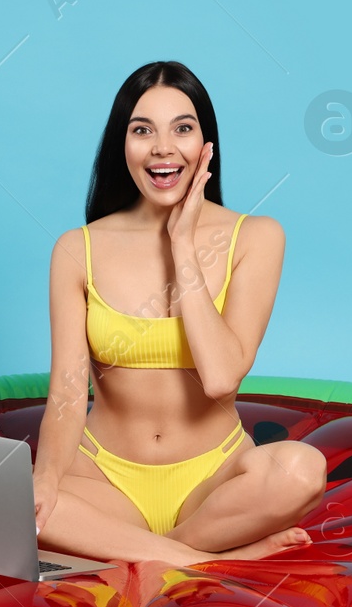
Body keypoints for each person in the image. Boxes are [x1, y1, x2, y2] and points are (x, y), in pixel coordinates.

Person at [32, 61, 327, 567]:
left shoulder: (256, 237)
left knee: (302, 471)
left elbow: (220, 378)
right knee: (17, 504)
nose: (162, 147)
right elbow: (65, 389)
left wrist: (182, 245)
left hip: (212, 485)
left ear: (206, 146)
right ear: (121, 146)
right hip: (104, 481)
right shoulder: (75, 249)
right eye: (142, 130)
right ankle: (206, 560)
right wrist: (43, 482)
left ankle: (141, 552)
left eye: (182, 129)